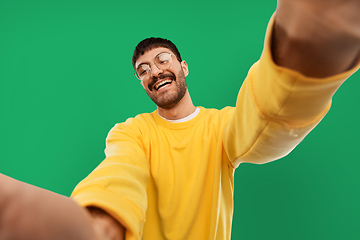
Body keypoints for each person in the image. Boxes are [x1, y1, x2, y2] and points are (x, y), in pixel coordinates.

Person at [1, 1, 360, 240]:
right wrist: (100, 223)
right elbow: (121, 173)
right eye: (143, 71)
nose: (154, 72)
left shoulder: (220, 127)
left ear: (183, 67)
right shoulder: (132, 132)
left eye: (162, 60)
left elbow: (265, 126)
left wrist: (303, 57)